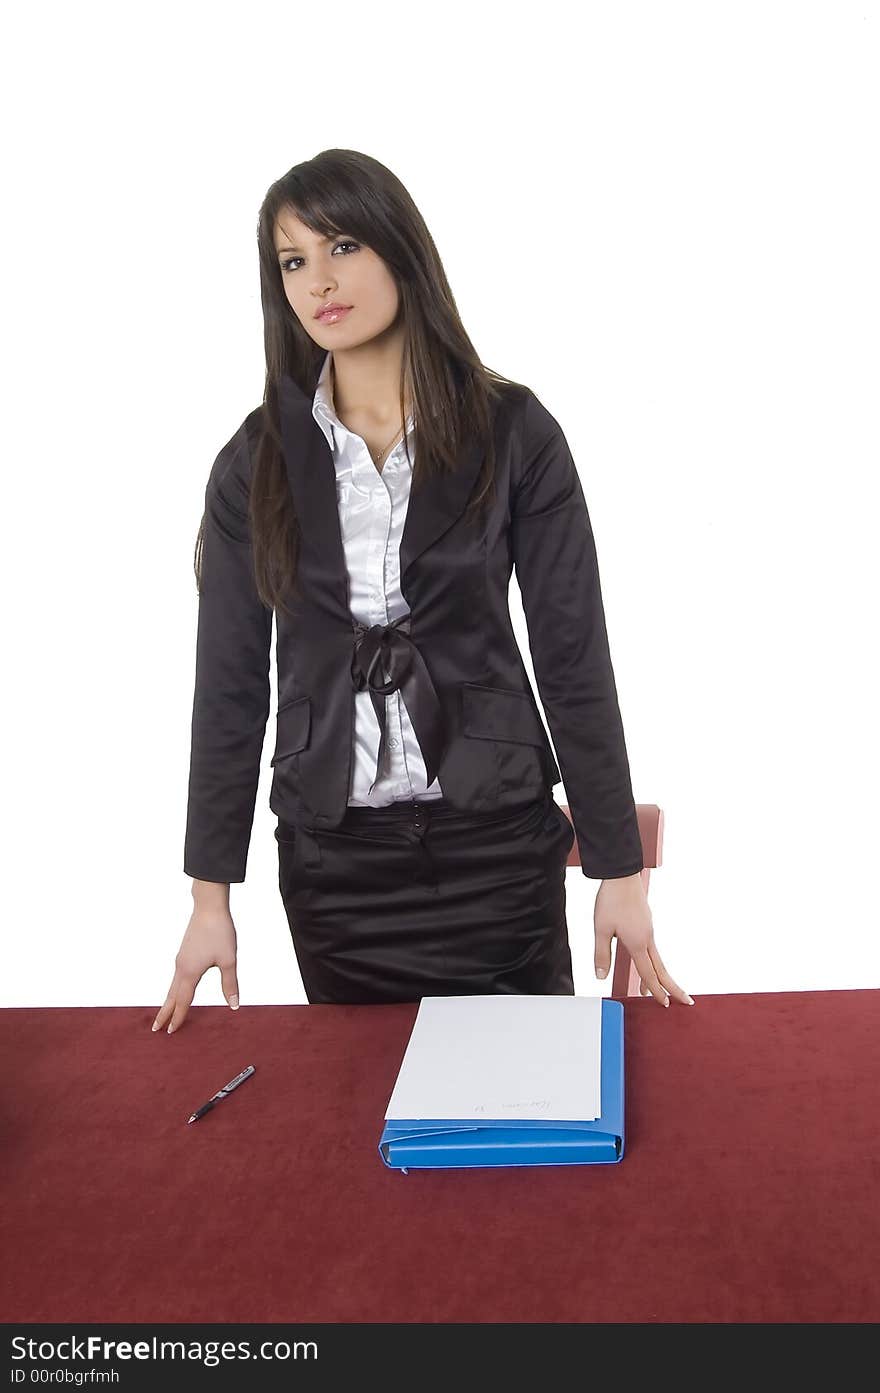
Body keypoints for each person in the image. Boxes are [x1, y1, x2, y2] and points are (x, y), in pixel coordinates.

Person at [152, 148, 692, 1035]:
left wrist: (618, 871)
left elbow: (571, 656)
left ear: (401, 250)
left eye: (343, 247)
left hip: (495, 851)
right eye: (293, 261)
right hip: (336, 869)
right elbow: (231, 687)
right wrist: (209, 897)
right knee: (367, 1145)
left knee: (522, 1135)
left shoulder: (515, 432)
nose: (319, 280)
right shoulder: (255, 464)